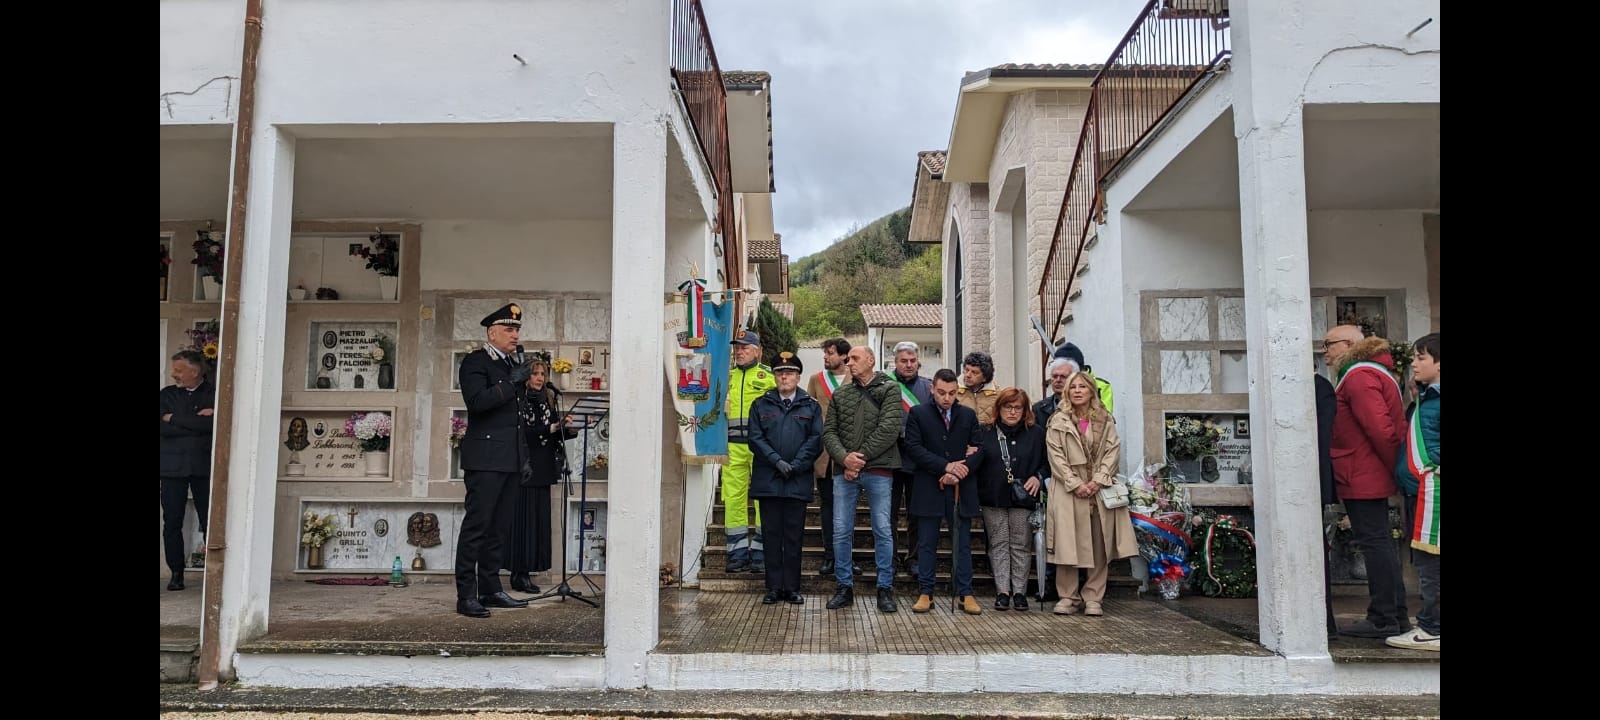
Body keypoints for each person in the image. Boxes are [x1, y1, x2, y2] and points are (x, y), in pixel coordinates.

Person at [1322, 325, 1409, 639]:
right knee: (1381, 543)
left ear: (1348, 344)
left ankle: (1383, 617)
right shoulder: (1374, 372)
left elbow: (1381, 430)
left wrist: (1393, 470)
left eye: (1329, 344)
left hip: (1363, 470)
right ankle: (1396, 614)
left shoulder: (1358, 376)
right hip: (1367, 469)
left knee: (1374, 544)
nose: (1326, 352)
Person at [453, 303, 534, 618]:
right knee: (477, 527)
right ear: (492, 333)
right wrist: (510, 382)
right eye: (509, 330)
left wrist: (523, 458)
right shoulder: (476, 362)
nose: (515, 335)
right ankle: (466, 595)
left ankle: (490, 588)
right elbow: (476, 403)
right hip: (485, 459)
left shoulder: (509, 365)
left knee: (499, 529)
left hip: (510, 459)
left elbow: (514, 420)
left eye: (517, 330)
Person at [1044, 371, 1138, 617]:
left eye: (1082, 387)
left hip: (1099, 488)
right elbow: (1056, 457)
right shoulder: (1058, 420)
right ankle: (1068, 596)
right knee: (1067, 544)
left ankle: (1094, 597)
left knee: (1099, 543)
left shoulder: (1105, 419)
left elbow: (1112, 451)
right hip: (1068, 490)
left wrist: (1097, 480)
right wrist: (1075, 483)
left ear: (1091, 391)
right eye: (1072, 386)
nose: (1076, 390)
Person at [822, 346, 905, 613]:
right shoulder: (841, 393)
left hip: (879, 469)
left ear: (871, 360)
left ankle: (885, 587)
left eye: (855, 358)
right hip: (844, 471)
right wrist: (845, 459)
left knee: (882, 529)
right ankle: (844, 586)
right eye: (848, 360)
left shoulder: (890, 389)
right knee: (841, 530)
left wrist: (859, 459)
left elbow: (890, 428)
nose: (850, 363)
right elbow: (829, 432)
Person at [903, 369, 986, 615]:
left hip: (961, 486)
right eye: (941, 392)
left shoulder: (968, 415)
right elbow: (913, 447)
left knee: (962, 543)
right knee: (927, 543)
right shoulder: (918, 413)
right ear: (932, 389)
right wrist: (944, 466)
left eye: (951, 393)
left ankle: (965, 593)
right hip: (929, 485)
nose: (946, 398)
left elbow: (979, 449)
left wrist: (959, 470)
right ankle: (926, 592)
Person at [748, 352, 825, 606]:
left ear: (798, 376)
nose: (784, 376)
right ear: (774, 376)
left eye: (789, 372)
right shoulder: (761, 404)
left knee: (793, 536)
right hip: (769, 478)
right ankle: (772, 588)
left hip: (796, 479)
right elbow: (755, 438)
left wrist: (796, 465)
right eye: (780, 372)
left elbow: (815, 439)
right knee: (770, 535)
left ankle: (792, 587)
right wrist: (776, 461)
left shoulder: (810, 405)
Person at [504, 356, 578, 594]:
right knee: (523, 520)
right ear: (526, 377)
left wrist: (565, 427)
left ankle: (531, 570)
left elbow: (552, 432)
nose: (539, 378)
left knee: (538, 521)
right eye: (535, 374)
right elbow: (523, 433)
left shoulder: (548, 400)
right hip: (525, 468)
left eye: (543, 374)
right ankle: (519, 573)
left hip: (544, 468)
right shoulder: (518, 400)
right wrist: (552, 428)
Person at [1388, 333, 1439, 652]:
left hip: (1434, 493)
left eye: (1421, 358)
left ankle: (1433, 627)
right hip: (1420, 492)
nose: (1414, 364)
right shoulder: (1425, 397)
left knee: (1430, 563)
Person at [974, 387, 1044, 611]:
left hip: (1023, 495)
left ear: (1025, 411)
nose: (1012, 412)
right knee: (999, 543)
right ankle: (1003, 591)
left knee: (1021, 544)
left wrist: (1038, 477)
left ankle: (1020, 592)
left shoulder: (1036, 433)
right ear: (999, 408)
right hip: (992, 495)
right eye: (1008, 407)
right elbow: (976, 458)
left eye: (1018, 408)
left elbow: (1047, 462)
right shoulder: (985, 431)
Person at [161, 350, 215, 591]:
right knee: (172, 521)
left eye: (179, 370)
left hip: (204, 467)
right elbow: (162, 429)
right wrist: (197, 422)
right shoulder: (167, 395)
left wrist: (173, 419)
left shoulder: (213, 393)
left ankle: (214, 570)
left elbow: (214, 425)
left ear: (195, 371)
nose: (174, 375)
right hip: (172, 468)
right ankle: (176, 572)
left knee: (210, 520)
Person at [723, 330, 777, 573]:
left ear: (757, 351)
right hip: (732, 446)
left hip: (760, 448)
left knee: (761, 499)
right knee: (733, 498)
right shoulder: (726, 377)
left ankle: (761, 551)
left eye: (745, 347)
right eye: (737, 347)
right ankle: (736, 553)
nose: (739, 351)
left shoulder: (769, 377)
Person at [805, 337, 855, 577]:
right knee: (827, 506)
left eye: (831, 353)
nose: (826, 357)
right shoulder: (816, 380)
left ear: (844, 356)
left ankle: (847, 556)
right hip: (824, 455)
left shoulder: (856, 379)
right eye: (825, 353)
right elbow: (807, 413)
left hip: (850, 454)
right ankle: (829, 555)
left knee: (848, 508)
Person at [888, 341, 935, 572]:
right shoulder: (884, 386)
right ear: (894, 362)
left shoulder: (929, 388)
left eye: (912, 361)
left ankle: (914, 557)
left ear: (918, 361)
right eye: (903, 361)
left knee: (916, 513)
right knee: (889, 514)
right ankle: (891, 557)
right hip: (890, 459)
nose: (908, 365)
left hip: (919, 462)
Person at [955, 352, 999, 425]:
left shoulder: (998, 395)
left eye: (974, 372)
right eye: (966, 370)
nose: (968, 375)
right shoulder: (953, 392)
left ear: (985, 377)